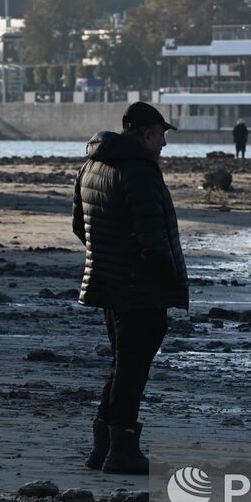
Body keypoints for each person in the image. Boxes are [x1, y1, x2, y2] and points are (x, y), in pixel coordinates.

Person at [72, 101, 188, 476]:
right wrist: (167, 280)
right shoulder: (139, 170)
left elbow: (80, 227)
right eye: (160, 135)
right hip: (139, 287)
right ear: (142, 133)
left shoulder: (92, 165)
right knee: (133, 369)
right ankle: (120, 449)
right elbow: (152, 237)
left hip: (108, 282)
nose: (164, 145)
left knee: (124, 364)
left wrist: (109, 255)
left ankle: (103, 446)